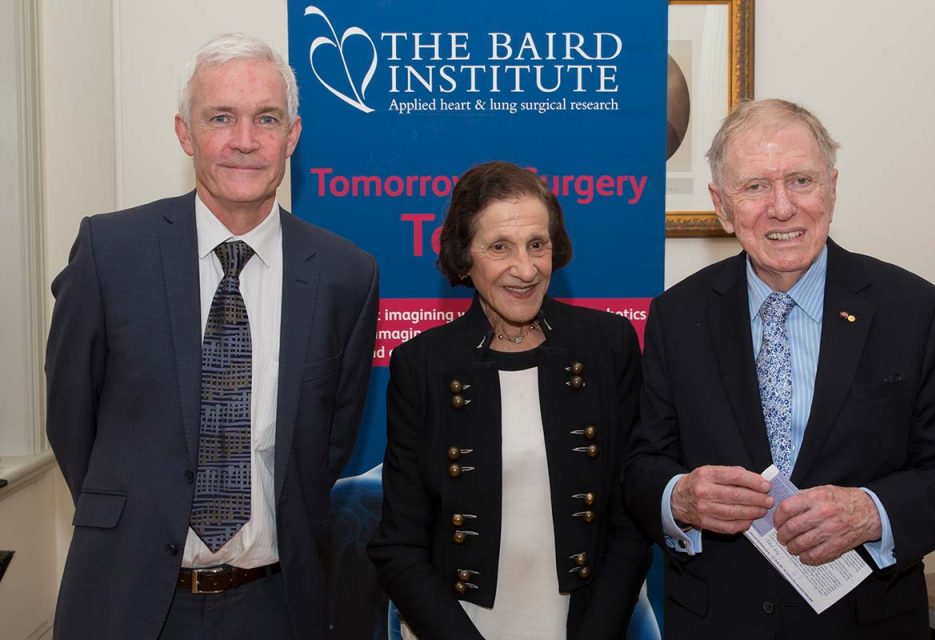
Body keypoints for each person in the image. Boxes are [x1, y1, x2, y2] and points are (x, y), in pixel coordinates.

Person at [45, 33, 379, 639]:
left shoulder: (345, 275)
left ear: (293, 137)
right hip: (126, 598)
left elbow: (330, 445)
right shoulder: (110, 252)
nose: (245, 141)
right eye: (220, 117)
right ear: (185, 133)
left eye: (266, 119)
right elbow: (71, 418)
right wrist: (129, 519)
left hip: (276, 604)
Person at [622, 99, 935, 639]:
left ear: (832, 189)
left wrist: (871, 511)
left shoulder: (916, 311)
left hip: (867, 624)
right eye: (754, 187)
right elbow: (640, 464)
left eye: (801, 180)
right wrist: (679, 498)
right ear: (722, 206)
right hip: (716, 622)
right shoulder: (677, 316)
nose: (782, 207)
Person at [368, 161, 651, 639]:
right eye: (500, 247)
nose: (526, 269)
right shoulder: (423, 366)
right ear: (464, 257)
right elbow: (400, 545)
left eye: (537, 245)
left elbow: (631, 524)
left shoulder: (607, 346)